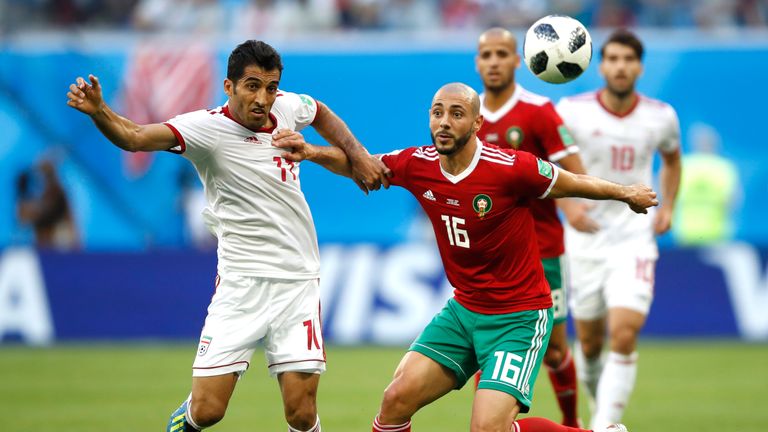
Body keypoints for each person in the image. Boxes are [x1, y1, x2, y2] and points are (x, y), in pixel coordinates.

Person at [275, 82, 658, 432]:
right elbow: (363, 166)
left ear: (476, 123)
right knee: (394, 401)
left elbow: (572, 182)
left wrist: (626, 193)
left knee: (487, 429)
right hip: (464, 312)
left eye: (456, 114)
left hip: (519, 317)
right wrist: (310, 152)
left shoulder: (510, 167)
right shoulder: (418, 163)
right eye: (437, 112)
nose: (444, 122)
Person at [66, 40, 389, 432]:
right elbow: (134, 137)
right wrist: (100, 111)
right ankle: (183, 417)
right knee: (208, 411)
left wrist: (357, 153)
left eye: (270, 87)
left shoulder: (286, 108)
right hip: (241, 285)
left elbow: (319, 111)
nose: (263, 98)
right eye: (252, 85)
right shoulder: (205, 130)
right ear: (229, 86)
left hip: (297, 283)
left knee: (301, 414)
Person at [555, 29, 682, 430]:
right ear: (601, 65)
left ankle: (605, 426)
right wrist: (568, 207)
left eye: (628, 59)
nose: (621, 66)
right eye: (612, 59)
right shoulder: (572, 110)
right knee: (590, 345)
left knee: (624, 334)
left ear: (639, 66)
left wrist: (669, 205)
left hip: (634, 237)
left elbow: (673, 159)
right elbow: (547, 163)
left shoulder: (661, 116)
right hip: (586, 237)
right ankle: (602, 414)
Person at [474, 27, 593, 427]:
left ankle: (573, 423)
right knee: (484, 349)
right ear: (478, 62)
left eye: (501, 54)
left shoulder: (538, 110)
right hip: (490, 256)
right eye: (486, 54)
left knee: (555, 348)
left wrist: (573, 207)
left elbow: (575, 172)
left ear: (518, 61)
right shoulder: (466, 116)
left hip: (543, 249)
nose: (493, 61)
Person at [673, 122, 740, 245]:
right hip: (717, 234)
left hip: (686, 234)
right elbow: (733, 201)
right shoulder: (724, 168)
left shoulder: (682, 165)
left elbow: (663, 196)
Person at [16, 158, 79, 250]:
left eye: (48, 176)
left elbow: (54, 211)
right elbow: (23, 217)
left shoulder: (60, 197)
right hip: (43, 250)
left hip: (62, 250)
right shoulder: (38, 199)